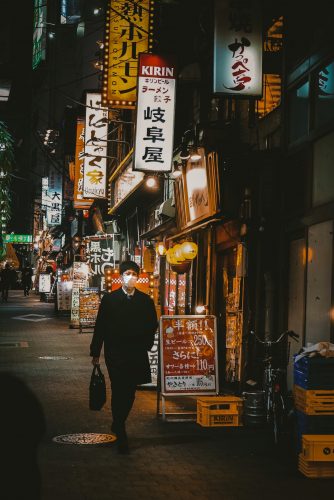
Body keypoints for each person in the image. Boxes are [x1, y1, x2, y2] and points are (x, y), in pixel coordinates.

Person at [90, 260, 158, 454]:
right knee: (119, 387)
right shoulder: (110, 300)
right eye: (128, 273)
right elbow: (100, 326)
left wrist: (146, 342)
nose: (132, 277)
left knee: (130, 392)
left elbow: (152, 324)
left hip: (136, 352)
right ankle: (120, 427)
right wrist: (96, 351)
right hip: (115, 353)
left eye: (134, 274)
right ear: (121, 276)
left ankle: (118, 422)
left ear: (138, 277)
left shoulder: (146, 300)